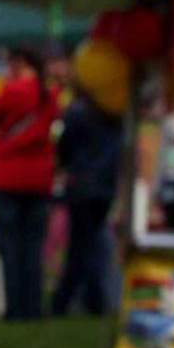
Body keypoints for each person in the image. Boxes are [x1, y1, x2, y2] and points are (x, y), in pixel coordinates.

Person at [0, 47, 57, 321]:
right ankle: (34, 306)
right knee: (34, 246)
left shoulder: (12, 90)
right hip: (39, 177)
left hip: (8, 173)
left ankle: (15, 308)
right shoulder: (50, 94)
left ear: (19, 63)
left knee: (10, 245)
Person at [52, 93, 120, 316]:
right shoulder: (115, 109)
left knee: (80, 245)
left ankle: (67, 301)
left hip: (81, 183)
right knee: (94, 242)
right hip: (105, 185)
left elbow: (64, 146)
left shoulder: (77, 112)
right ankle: (94, 298)